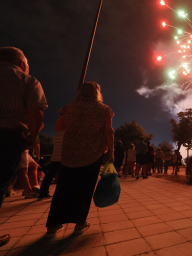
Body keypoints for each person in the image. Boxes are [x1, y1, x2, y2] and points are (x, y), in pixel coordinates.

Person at [46, 81, 114, 235]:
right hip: (92, 154)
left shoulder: (68, 108)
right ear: (97, 93)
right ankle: (79, 222)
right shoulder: (104, 110)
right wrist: (111, 151)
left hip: (69, 154)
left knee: (63, 188)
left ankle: (53, 225)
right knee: (85, 188)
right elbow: (109, 132)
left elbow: (59, 127)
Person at [0, 47, 47, 246]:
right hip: (7, 137)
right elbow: (35, 113)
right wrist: (33, 137)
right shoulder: (27, 81)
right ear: (22, 63)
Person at [38, 131, 64, 201]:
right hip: (63, 158)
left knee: (49, 176)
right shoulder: (67, 134)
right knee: (64, 177)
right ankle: (61, 195)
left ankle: (43, 193)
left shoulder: (57, 135)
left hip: (55, 158)